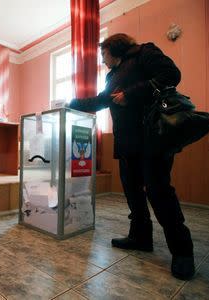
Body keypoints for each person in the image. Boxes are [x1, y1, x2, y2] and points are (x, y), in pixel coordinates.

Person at [67, 33, 195, 280]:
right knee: (133, 193)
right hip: (127, 143)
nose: (102, 60)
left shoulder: (143, 53)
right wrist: (71, 103)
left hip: (152, 138)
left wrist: (131, 94)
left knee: (158, 192)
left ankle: (183, 251)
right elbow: (102, 100)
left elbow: (172, 75)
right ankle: (140, 237)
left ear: (114, 48)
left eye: (103, 54)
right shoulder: (112, 75)